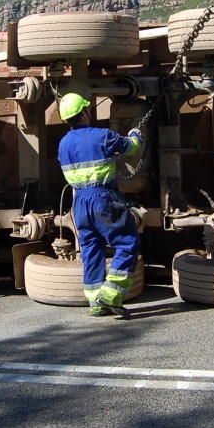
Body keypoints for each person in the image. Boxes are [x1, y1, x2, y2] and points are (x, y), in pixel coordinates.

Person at [56, 92, 143, 318]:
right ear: (85, 112)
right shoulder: (102, 136)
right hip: (103, 197)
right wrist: (136, 135)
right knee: (127, 242)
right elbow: (131, 148)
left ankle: (95, 303)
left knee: (91, 250)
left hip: (79, 203)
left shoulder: (63, 144)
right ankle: (111, 294)